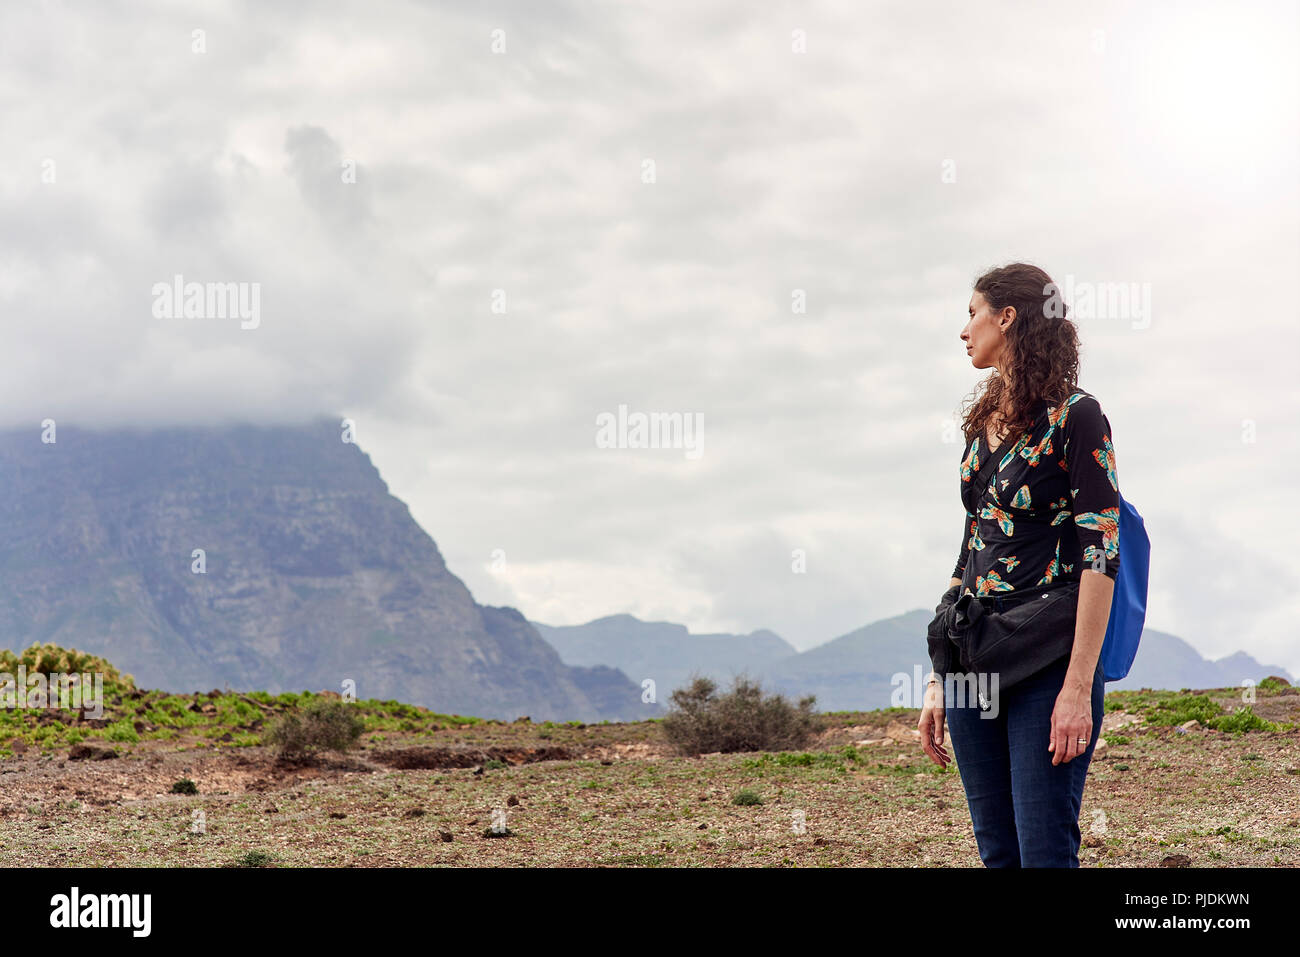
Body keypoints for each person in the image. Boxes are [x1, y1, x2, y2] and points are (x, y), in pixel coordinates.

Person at [918, 262, 1119, 867]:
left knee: (1043, 853)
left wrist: (1078, 687)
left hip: (1047, 661)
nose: (964, 330)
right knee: (998, 854)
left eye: (971, 313)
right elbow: (971, 543)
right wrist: (938, 674)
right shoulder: (982, 426)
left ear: (1006, 318)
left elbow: (1101, 552)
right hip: (972, 661)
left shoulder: (1078, 417)